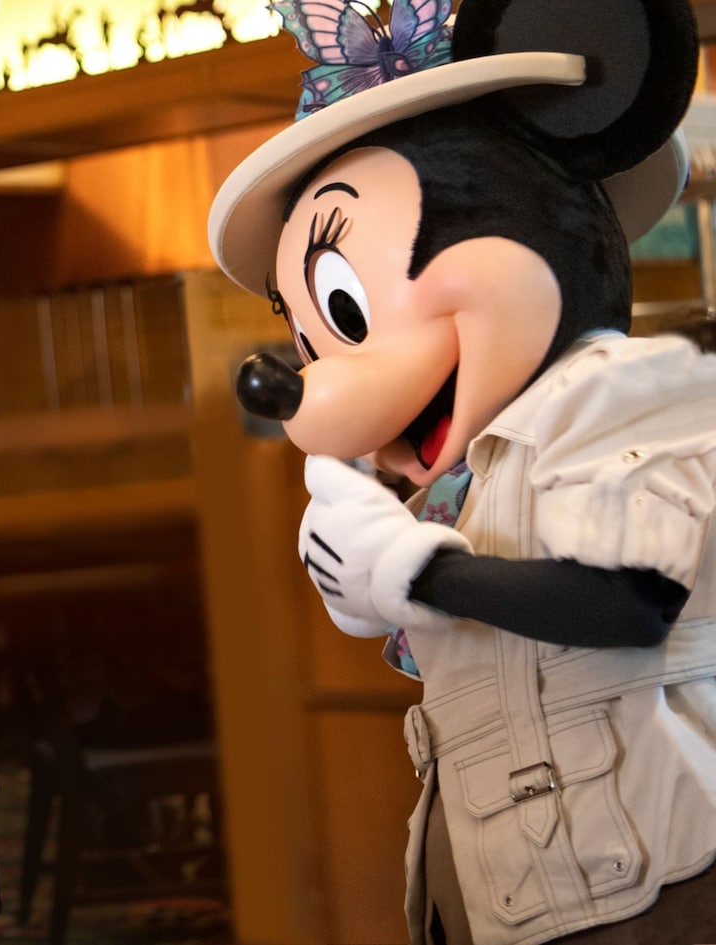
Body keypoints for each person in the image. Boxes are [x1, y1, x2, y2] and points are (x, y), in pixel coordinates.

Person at [211, 0, 716, 942]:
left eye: (347, 311)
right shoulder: (467, 473)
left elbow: (633, 599)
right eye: (311, 333)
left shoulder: (618, 392)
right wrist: (371, 566)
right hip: (515, 889)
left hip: (658, 885)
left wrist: (416, 574)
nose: (313, 377)